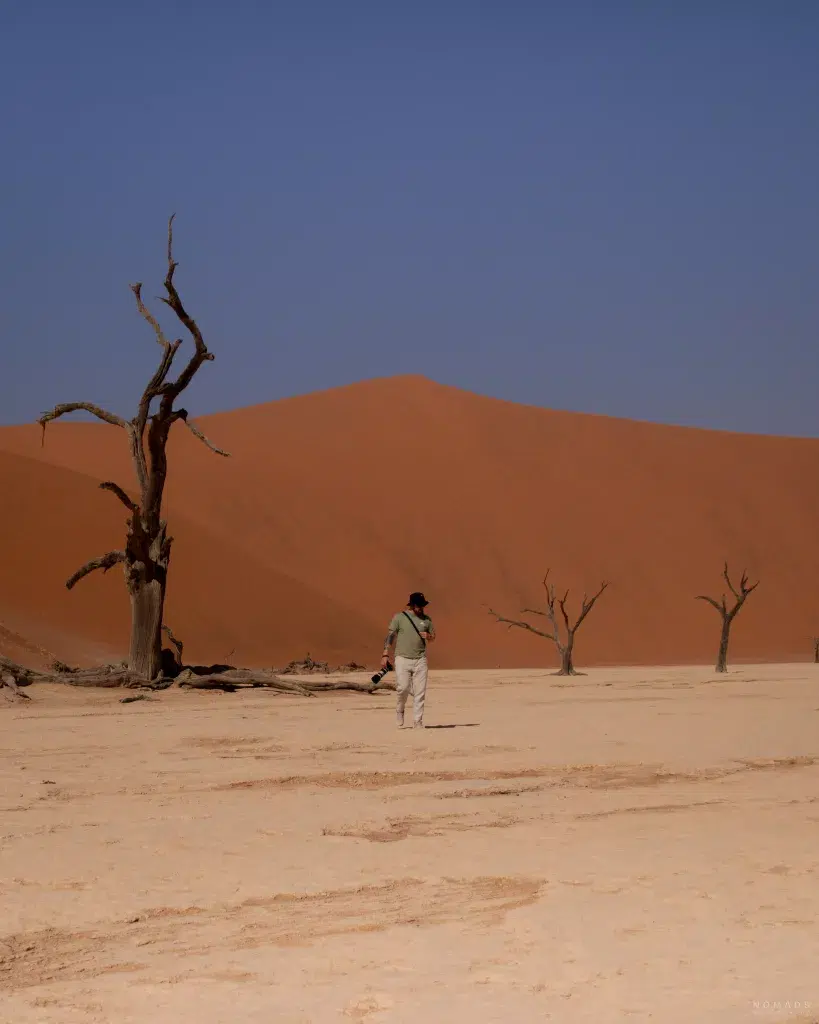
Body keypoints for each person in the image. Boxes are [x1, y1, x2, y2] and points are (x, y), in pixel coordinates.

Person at [381, 592, 435, 728]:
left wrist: (428, 636)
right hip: (402, 658)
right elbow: (390, 636)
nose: (421, 608)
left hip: (420, 659)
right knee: (403, 688)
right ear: (411, 604)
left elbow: (433, 637)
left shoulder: (427, 620)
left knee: (420, 692)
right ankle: (400, 709)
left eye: (423, 605)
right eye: (418, 605)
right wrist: (385, 653)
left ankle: (418, 721)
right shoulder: (399, 618)